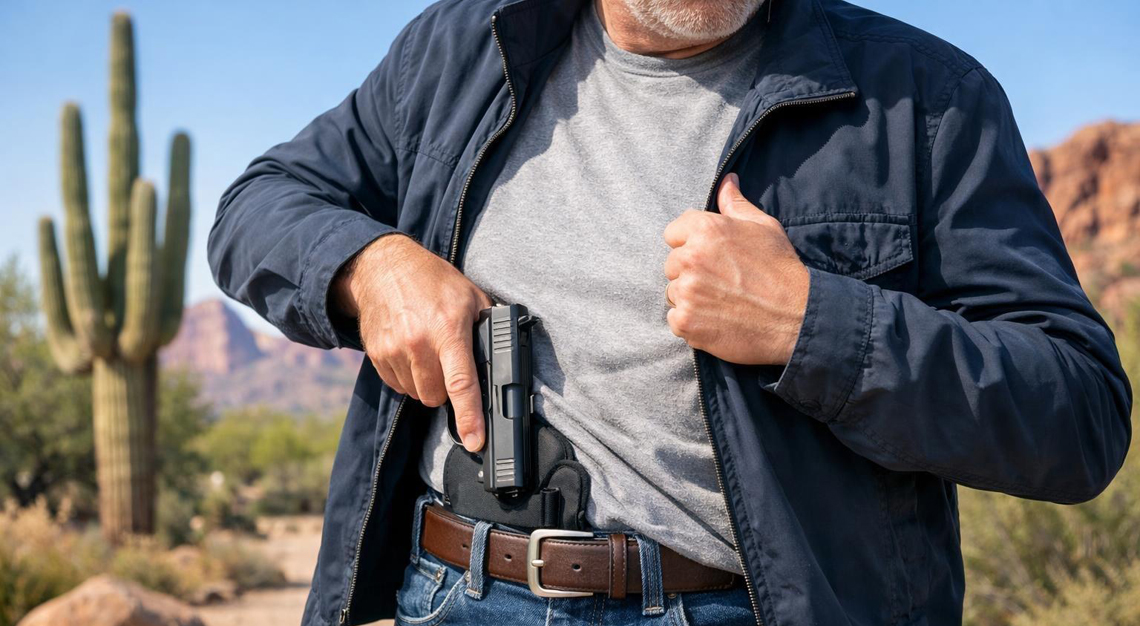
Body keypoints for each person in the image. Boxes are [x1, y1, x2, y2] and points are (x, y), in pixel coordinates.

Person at [207, 0, 1133, 624]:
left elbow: (1079, 415)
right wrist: (370, 266)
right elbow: (260, 204)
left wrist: (814, 325)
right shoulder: (466, 45)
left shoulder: (927, 101)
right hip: (454, 591)